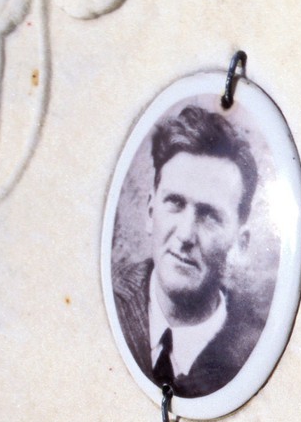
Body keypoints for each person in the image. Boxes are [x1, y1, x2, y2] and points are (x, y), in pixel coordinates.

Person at [113, 104, 266, 399]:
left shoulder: (254, 352)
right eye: (175, 203)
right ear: (150, 211)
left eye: (209, 216)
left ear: (240, 244)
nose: (185, 235)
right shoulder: (104, 299)